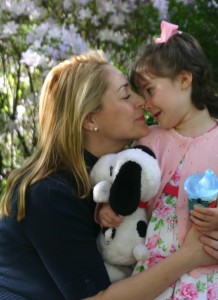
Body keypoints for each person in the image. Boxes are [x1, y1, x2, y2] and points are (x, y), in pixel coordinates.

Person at [0, 50, 217, 300]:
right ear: (90, 119)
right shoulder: (50, 194)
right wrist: (191, 255)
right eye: (126, 95)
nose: (141, 101)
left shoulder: (116, 173)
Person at [98, 21, 218, 299]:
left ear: (184, 80)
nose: (146, 104)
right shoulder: (149, 139)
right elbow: (126, 186)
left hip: (205, 277)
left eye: (150, 90)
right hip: (154, 272)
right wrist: (106, 207)